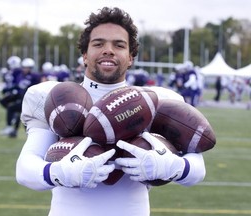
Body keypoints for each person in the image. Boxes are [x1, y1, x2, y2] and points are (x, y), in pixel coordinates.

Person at [16, 7, 206, 216]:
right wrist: (58, 172)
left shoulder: (155, 101)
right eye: (98, 44)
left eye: (119, 45)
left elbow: (198, 169)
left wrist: (175, 167)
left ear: (131, 57)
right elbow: (25, 168)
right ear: (85, 55)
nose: (108, 50)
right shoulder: (55, 97)